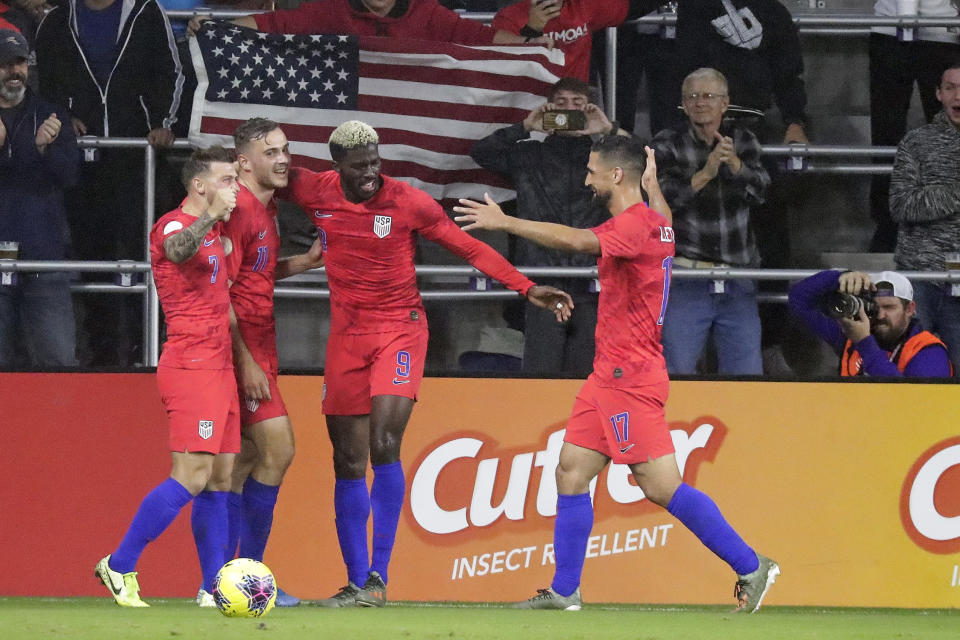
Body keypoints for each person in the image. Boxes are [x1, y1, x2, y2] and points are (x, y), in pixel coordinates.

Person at [453, 135, 779, 612]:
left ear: (615, 175)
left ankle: (752, 567)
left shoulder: (629, 227)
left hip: (631, 378)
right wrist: (654, 189)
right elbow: (664, 219)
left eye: (591, 170)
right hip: (607, 374)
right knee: (570, 471)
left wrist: (506, 222)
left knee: (660, 487)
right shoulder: (655, 221)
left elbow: (576, 240)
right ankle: (564, 591)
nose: (586, 178)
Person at [280, 120, 573, 607]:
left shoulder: (408, 201)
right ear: (338, 167)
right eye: (360, 167)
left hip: (400, 328)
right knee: (346, 460)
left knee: (384, 442)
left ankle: (378, 577)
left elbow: (469, 247)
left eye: (375, 162)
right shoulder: (312, 189)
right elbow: (257, 176)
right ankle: (356, 583)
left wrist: (526, 287)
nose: (371, 173)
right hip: (347, 337)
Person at [95, 146, 240, 607]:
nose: (233, 188)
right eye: (226, 180)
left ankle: (212, 586)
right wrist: (210, 217)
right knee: (192, 475)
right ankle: (119, 565)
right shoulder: (176, 224)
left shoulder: (218, 233)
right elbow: (177, 251)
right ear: (200, 185)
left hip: (220, 367)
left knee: (219, 477)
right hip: (191, 365)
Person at [203, 118, 325, 609]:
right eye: (270, 151)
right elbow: (219, 292)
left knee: (244, 463)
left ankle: (222, 582)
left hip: (259, 347)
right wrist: (247, 361)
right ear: (243, 161)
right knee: (278, 452)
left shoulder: (265, 211)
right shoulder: (238, 211)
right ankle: (247, 578)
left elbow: (256, 274)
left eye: (285, 149)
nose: (282, 159)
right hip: (240, 350)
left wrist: (304, 263)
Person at [36, 0, 183, 366]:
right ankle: (100, 354)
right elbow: (45, 84)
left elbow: (172, 72)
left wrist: (165, 121)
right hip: (82, 164)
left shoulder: (147, 12)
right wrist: (60, 117)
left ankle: (147, 351)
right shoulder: (56, 21)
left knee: (146, 255)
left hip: (140, 158)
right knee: (92, 257)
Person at [471, 77, 624, 376]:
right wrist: (526, 126)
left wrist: (607, 130)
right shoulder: (529, 153)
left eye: (578, 105)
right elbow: (481, 152)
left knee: (588, 375)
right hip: (542, 281)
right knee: (541, 375)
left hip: (592, 280)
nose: (569, 111)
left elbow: (647, 164)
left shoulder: (605, 159)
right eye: (561, 104)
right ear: (549, 109)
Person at [652, 67, 769, 375]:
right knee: (675, 372)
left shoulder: (743, 140)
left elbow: (762, 193)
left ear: (724, 103)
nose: (700, 102)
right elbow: (661, 200)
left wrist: (736, 165)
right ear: (683, 104)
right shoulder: (668, 142)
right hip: (685, 277)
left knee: (746, 375)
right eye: (692, 96)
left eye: (708, 96)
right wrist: (706, 172)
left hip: (738, 276)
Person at [0, 28, 79, 369]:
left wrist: (45, 150)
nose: (14, 71)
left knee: (58, 364)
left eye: (19, 63)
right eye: (4, 64)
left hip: (44, 260)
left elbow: (70, 177)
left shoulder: (51, 115)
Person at [868, 0, 960, 252]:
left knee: (947, 135)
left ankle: (941, 222)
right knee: (888, 134)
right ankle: (889, 224)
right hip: (898, 27)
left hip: (939, 27)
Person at [889, 60, 960, 370]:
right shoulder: (916, 142)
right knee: (917, 372)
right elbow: (901, 204)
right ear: (938, 94)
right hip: (922, 277)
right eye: (950, 88)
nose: (958, 96)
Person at [788, 269, 952, 377]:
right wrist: (839, 278)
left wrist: (864, 343)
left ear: (909, 309)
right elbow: (798, 300)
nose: (880, 315)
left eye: (889, 307)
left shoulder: (928, 351)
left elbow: (908, 400)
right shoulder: (850, 334)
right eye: (874, 307)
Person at [188, 0, 551, 46]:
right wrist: (214, 27)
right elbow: (277, 23)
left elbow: (481, 38)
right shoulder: (332, 9)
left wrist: (531, 42)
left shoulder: (427, 12)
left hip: (413, 138)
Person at [491, 0, 642, 82]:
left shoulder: (584, 6)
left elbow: (634, 6)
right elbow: (506, 70)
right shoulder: (508, 17)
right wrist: (532, 30)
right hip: (528, 107)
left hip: (572, 104)